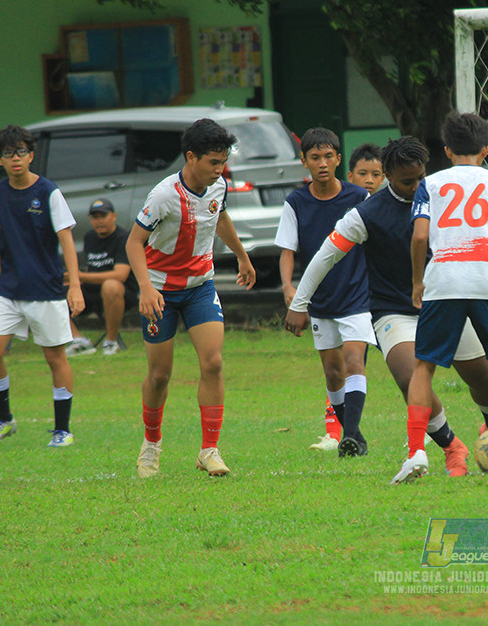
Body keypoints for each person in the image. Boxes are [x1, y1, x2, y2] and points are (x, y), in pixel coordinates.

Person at [286, 136, 488, 476]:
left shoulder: (441, 197)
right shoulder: (367, 214)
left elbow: (479, 236)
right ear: (388, 175)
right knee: (409, 377)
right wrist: (299, 302)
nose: (417, 186)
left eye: (421, 177)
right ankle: (451, 446)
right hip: (394, 310)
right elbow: (325, 256)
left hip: (447, 300)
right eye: (408, 181)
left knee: (479, 378)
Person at [393, 112, 488, 484]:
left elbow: (420, 238)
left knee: (424, 367)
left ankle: (416, 453)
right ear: (486, 149)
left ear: (446, 150)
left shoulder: (430, 184)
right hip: (487, 278)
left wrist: (417, 282)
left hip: (444, 279)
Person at [127, 118, 256, 478]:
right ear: (191, 157)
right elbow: (133, 242)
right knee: (160, 375)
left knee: (213, 363)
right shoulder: (164, 195)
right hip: (161, 293)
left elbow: (221, 217)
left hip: (201, 286)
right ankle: (151, 447)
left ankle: (209, 451)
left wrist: (242, 257)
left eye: (223, 162)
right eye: (214, 162)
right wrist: (146, 288)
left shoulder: (218, 187)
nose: (220, 169)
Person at [0, 125, 85, 449]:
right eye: (9, 154)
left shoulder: (49, 191)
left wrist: (75, 285)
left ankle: (62, 430)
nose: (16, 159)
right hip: (9, 290)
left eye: (21, 152)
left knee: (55, 358)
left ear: (31, 155)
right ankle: (4, 420)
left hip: (46, 288)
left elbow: (66, 239)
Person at [277, 127, 373, 458]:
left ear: (338, 159)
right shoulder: (296, 202)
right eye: (315, 157)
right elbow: (287, 250)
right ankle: (353, 437)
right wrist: (288, 287)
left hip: (356, 296)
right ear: (304, 161)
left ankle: (351, 434)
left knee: (353, 361)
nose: (322, 163)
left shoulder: (358, 198)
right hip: (320, 300)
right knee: (332, 373)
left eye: (328, 156)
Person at [65, 198, 138, 357]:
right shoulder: (90, 237)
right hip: (92, 291)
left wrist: (81, 276)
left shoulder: (123, 238)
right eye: (95, 217)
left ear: (114, 216)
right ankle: (79, 341)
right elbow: (90, 268)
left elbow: (121, 274)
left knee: (110, 285)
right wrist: (73, 280)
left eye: (103, 216)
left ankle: (111, 342)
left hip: (122, 293)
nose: (99, 221)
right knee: (55, 290)